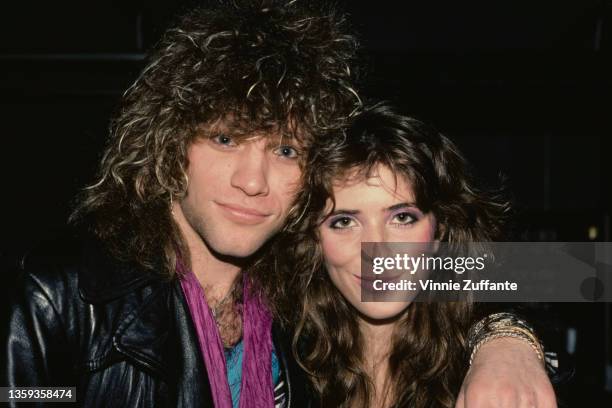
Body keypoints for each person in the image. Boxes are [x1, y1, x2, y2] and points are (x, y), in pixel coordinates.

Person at [2, 2, 558, 407]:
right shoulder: (67, 292)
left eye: (285, 149)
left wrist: (507, 340)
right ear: (170, 145)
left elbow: (569, 275)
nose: (253, 180)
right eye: (225, 138)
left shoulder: (297, 293)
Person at [278, 102, 558, 407]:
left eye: (402, 218)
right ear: (314, 240)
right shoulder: (284, 365)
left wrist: (508, 344)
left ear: (439, 233)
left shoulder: (482, 377)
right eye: (344, 222)